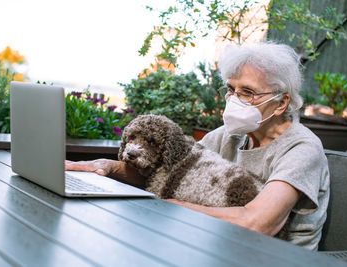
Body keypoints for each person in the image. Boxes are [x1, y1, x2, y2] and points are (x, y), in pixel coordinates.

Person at [65, 41, 329, 251]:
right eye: (230, 89)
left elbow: (257, 223)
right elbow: (171, 170)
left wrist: (170, 205)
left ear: (281, 102)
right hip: (220, 245)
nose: (234, 100)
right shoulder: (231, 134)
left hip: (276, 258)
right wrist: (106, 167)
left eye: (247, 92)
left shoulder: (302, 148)